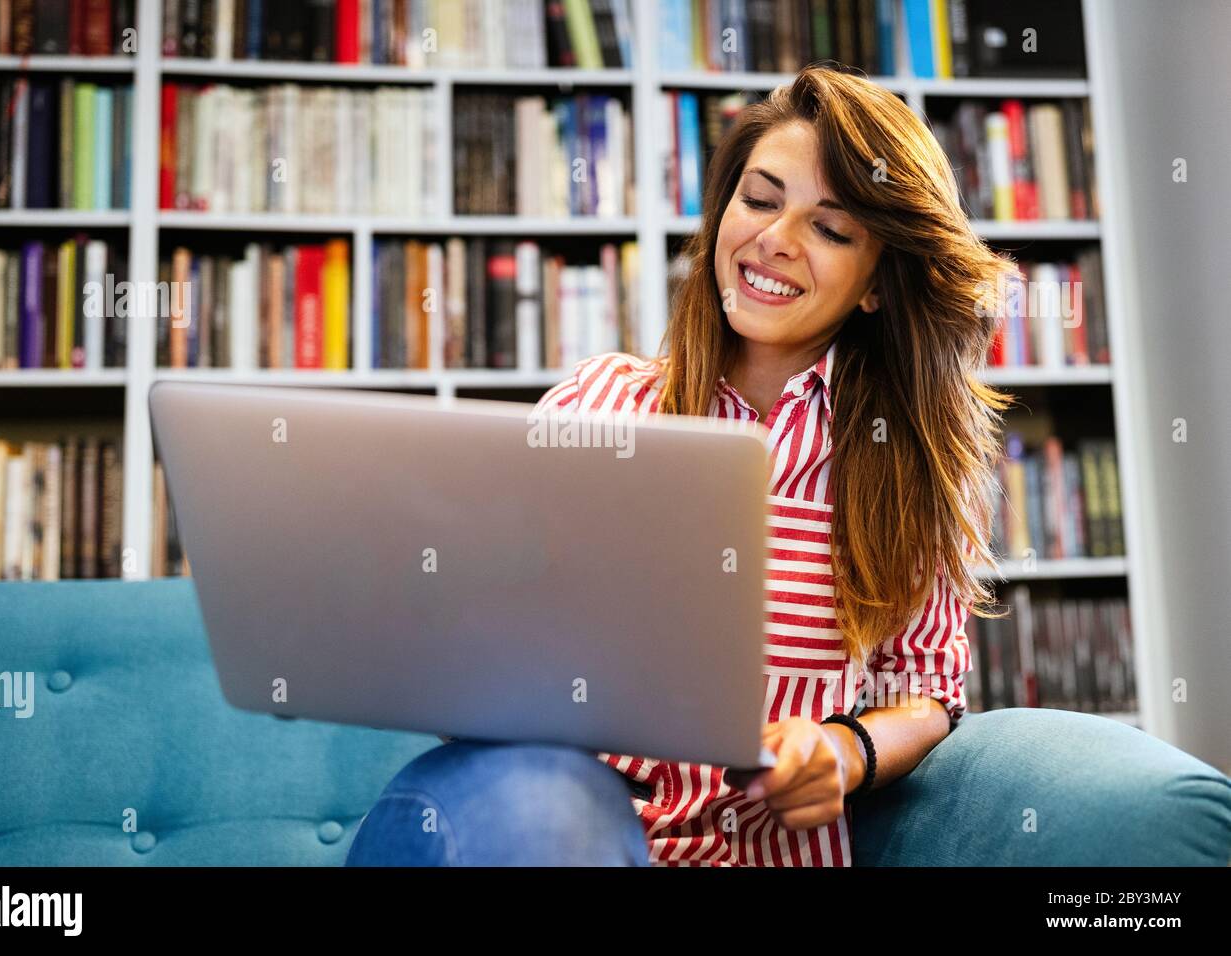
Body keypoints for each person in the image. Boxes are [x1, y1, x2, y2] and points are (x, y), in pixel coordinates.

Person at [346, 64, 1014, 867]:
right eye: (760, 200)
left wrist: (843, 752)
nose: (774, 239)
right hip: (546, 822)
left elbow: (927, 692)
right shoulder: (599, 404)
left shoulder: (911, 470)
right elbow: (481, 621)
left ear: (877, 285)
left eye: (831, 229)